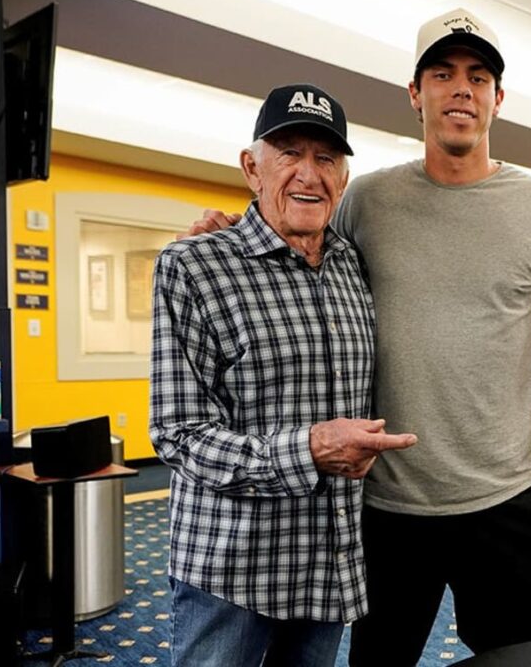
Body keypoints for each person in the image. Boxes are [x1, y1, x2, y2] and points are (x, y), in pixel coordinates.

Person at [184, 8, 531, 665]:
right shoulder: (365, 200)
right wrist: (228, 237)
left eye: (478, 76)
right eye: (442, 73)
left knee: (527, 657)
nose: (461, 88)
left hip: (508, 499)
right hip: (385, 504)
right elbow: (293, 243)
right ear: (415, 93)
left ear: (498, 98)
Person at [149, 84, 418, 667]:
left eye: (325, 158)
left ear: (343, 178)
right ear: (252, 167)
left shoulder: (355, 266)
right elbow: (178, 434)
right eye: (289, 153)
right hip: (233, 569)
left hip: (329, 562)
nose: (308, 173)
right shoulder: (194, 266)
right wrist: (310, 451)